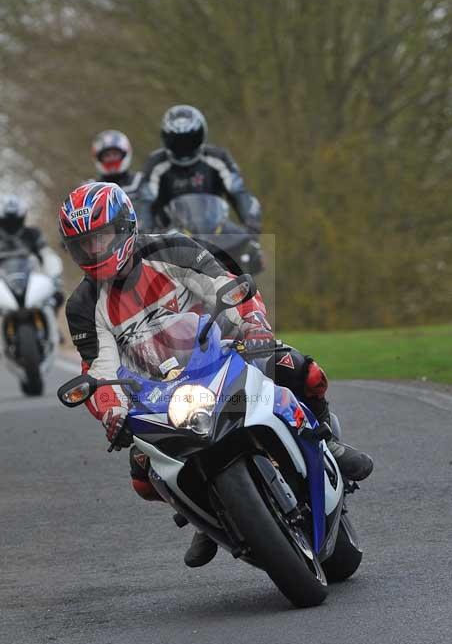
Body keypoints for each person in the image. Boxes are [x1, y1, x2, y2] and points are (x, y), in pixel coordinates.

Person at [61, 181, 373, 568]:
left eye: (101, 237)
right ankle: (207, 517)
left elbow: (224, 285)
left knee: (303, 372)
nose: (94, 251)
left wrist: (253, 326)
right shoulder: (82, 305)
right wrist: (112, 411)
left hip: (224, 353)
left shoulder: (171, 248)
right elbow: (99, 368)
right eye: (83, 244)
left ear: (125, 226)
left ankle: (328, 442)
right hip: (158, 392)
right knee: (143, 478)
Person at [138, 105, 262, 235]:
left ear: (201, 136)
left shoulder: (218, 158)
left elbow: (238, 191)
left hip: (215, 233)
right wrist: (145, 232)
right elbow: (145, 200)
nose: (183, 147)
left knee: (249, 249)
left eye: (189, 140)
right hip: (170, 238)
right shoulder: (156, 163)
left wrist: (251, 223)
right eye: (177, 141)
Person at [0, 195, 64, 343]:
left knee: (57, 296)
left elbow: (47, 255)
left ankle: (53, 326)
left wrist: (54, 274)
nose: (11, 225)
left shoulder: (33, 234)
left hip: (28, 277)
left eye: (15, 221)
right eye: (7, 222)